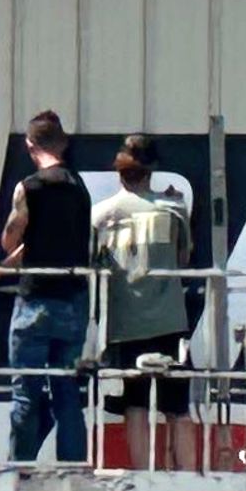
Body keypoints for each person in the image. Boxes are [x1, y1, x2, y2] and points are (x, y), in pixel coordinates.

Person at [0, 111, 97, 463]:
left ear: (29, 145)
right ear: (63, 144)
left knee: (26, 395)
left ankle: (19, 469)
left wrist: (3, 258)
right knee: (67, 393)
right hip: (73, 303)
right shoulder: (79, 188)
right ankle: (73, 468)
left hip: (35, 303)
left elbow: (11, 240)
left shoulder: (29, 188)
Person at [92, 133, 198, 462]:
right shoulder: (174, 209)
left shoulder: (100, 215)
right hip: (170, 322)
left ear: (119, 171)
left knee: (135, 407)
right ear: (151, 170)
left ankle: (140, 474)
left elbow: (94, 265)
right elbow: (183, 259)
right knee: (178, 409)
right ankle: (186, 478)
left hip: (125, 326)